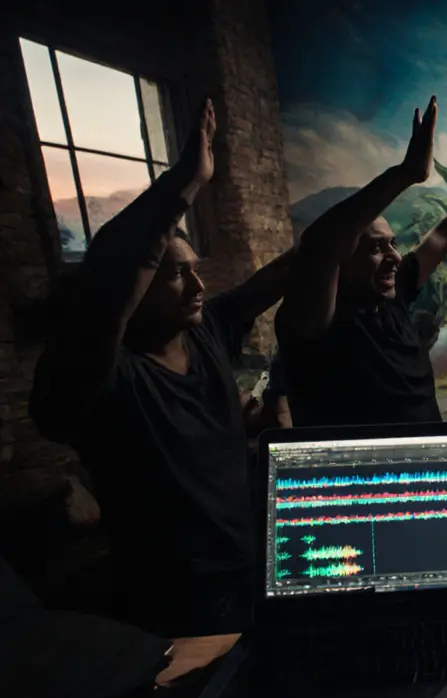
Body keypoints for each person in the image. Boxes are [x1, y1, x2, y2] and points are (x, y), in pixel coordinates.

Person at [28, 101, 293, 637]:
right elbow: (107, 286)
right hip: (179, 602)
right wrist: (183, 186)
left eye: (196, 270)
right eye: (176, 274)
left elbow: (299, 261)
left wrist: (397, 179)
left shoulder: (207, 330)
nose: (198, 286)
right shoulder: (106, 379)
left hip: (255, 569)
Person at [275, 98, 447, 427]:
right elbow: (318, 246)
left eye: (393, 243)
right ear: (341, 258)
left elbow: (442, 237)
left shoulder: (392, 294)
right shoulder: (318, 325)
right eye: (376, 248)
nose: (394, 257)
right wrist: (405, 174)